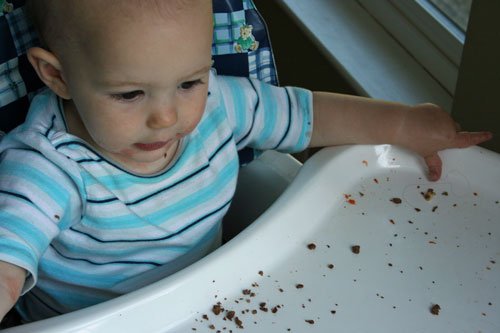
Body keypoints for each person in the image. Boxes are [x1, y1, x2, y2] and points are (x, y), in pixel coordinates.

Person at [0, 0, 491, 325]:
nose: (167, 116)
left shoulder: (220, 107)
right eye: (129, 94)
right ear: (57, 76)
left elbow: (308, 114)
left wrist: (403, 126)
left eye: (189, 82)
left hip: (219, 299)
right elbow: (10, 249)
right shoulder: (46, 166)